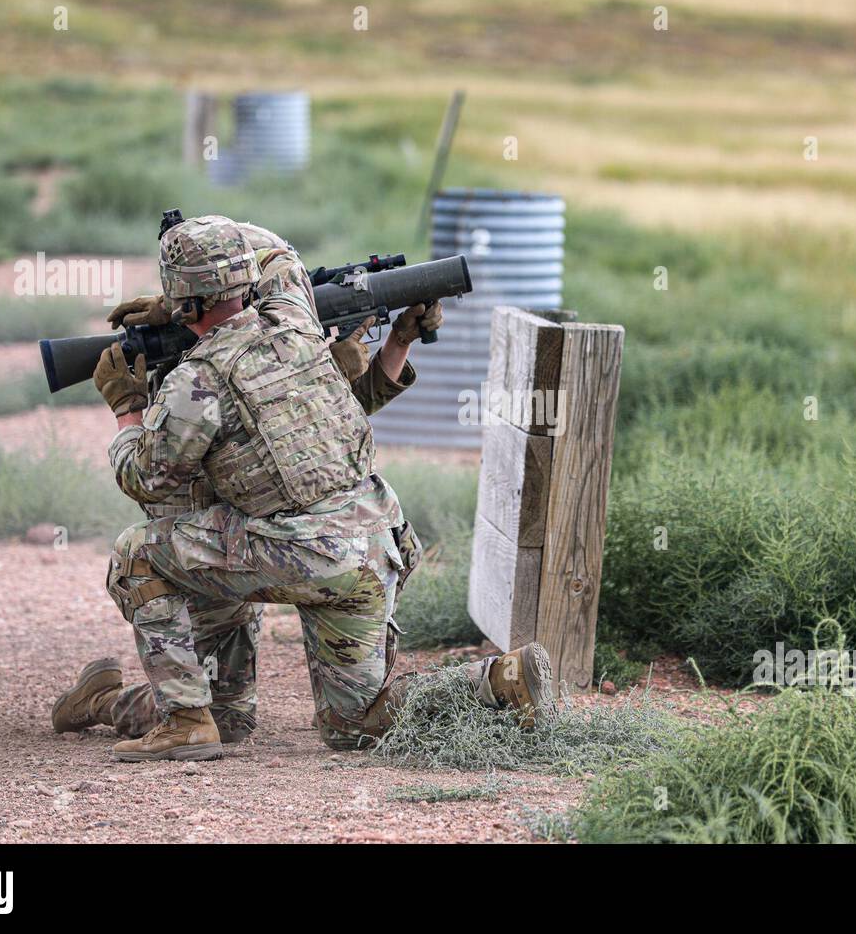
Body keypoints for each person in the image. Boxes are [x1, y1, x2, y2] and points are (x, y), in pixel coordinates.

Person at [52, 214, 553, 761]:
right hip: (369, 547)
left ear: (184, 300)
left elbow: (145, 479)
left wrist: (127, 407)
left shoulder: (197, 381)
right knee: (355, 724)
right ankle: (497, 681)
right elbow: (276, 250)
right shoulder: (296, 315)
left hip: (299, 550)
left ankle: (184, 722)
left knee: (137, 553)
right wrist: (401, 340)